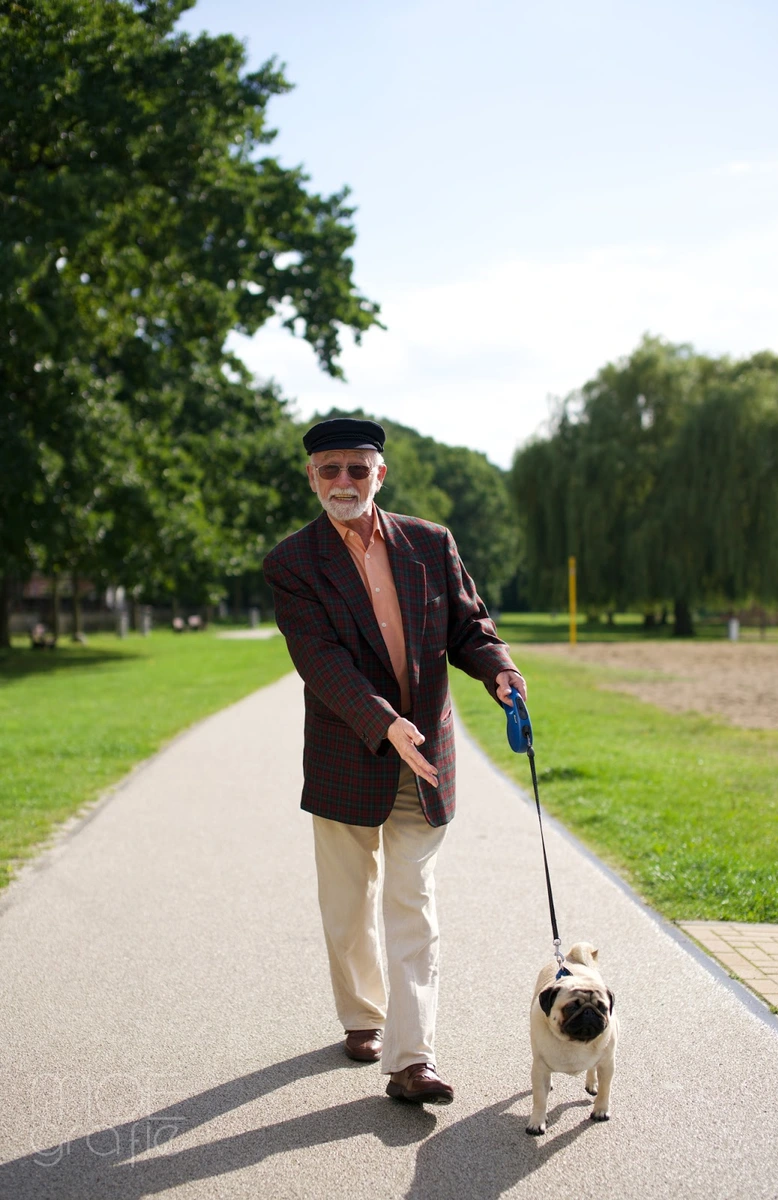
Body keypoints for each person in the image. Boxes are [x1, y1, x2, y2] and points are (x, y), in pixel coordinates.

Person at [262, 417, 527, 1105]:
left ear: (380, 474)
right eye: (330, 469)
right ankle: (363, 1017)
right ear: (312, 478)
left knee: (415, 902)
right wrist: (385, 722)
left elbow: (470, 625)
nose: (343, 482)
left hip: (426, 759)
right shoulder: (292, 563)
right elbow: (321, 661)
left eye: (357, 469)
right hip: (346, 755)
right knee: (348, 904)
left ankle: (414, 1060)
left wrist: (498, 670)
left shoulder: (430, 543)